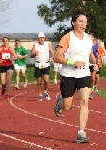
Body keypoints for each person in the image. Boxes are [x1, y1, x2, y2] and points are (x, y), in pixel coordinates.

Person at [53, 8, 98, 143]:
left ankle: (81, 133)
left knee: (85, 101)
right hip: (68, 74)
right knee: (68, 106)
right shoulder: (68, 37)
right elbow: (56, 57)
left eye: (85, 22)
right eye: (80, 21)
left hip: (84, 74)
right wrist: (73, 62)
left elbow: (89, 54)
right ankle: (59, 103)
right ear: (73, 22)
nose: (83, 24)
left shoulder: (88, 40)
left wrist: (94, 63)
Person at [30, 32, 55, 101]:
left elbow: (53, 52)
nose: (41, 39)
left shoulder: (47, 44)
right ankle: (40, 94)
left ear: (44, 38)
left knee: (46, 80)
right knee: (39, 81)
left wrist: (52, 57)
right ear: (38, 38)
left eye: (42, 37)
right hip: (38, 65)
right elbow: (31, 55)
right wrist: (34, 54)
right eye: (40, 38)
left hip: (46, 64)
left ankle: (45, 91)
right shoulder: (35, 45)